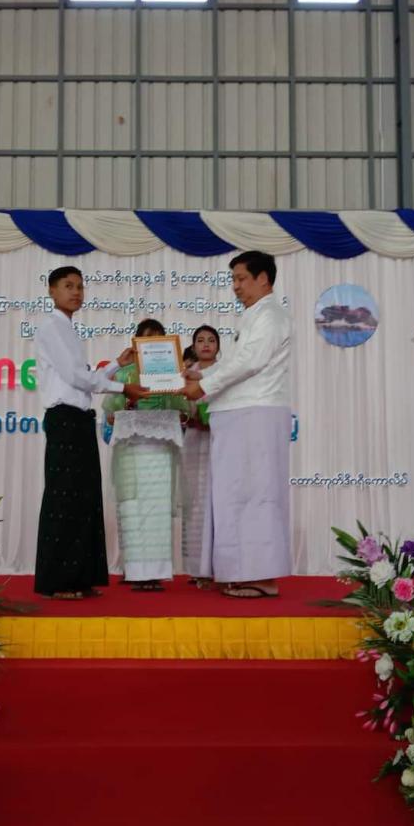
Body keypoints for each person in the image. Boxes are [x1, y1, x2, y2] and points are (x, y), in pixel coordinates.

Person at [34, 265, 148, 599]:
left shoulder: (68, 328)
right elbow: (76, 377)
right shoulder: (51, 326)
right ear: (52, 291)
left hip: (80, 419)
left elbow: (81, 375)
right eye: (68, 286)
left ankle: (80, 577)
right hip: (65, 419)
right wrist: (123, 387)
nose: (76, 292)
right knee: (64, 498)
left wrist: (116, 365)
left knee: (83, 498)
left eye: (80, 287)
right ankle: (59, 582)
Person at [183, 251, 292, 598]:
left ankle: (259, 575)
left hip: (254, 414)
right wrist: (198, 376)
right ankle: (244, 572)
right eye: (233, 280)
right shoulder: (254, 316)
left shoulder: (270, 315)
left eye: (241, 279)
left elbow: (250, 362)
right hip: (242, 414)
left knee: (254, 496)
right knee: (238, 495)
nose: (236, 287)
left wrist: (202, 385)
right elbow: (237, 362)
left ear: (263, 279)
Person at [103, 318, 188, 592]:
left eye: (158, 339)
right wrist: (127, 403)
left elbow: (183, 409)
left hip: (160, 450)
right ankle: (135, 571)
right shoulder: (124, 374)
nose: (153, 344)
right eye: (147, 339)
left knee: (157, 511)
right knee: (132, 508)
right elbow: (110, 413)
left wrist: (179, 397)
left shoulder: (172, 373)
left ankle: (155, 573)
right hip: (131, 448)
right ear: (137, 343)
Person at [180, 325, 220, 587]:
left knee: (216, 502)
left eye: (211, 340)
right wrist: (188, 417)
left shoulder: (225, 372)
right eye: (200, 340)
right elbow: (179, 407)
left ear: (218, 346)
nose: (206, 344)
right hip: (193, 440)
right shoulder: (186, 374)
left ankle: (218, 567)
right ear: (193, 346)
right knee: (195, 502)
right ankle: (196, 568)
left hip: (219, 441)